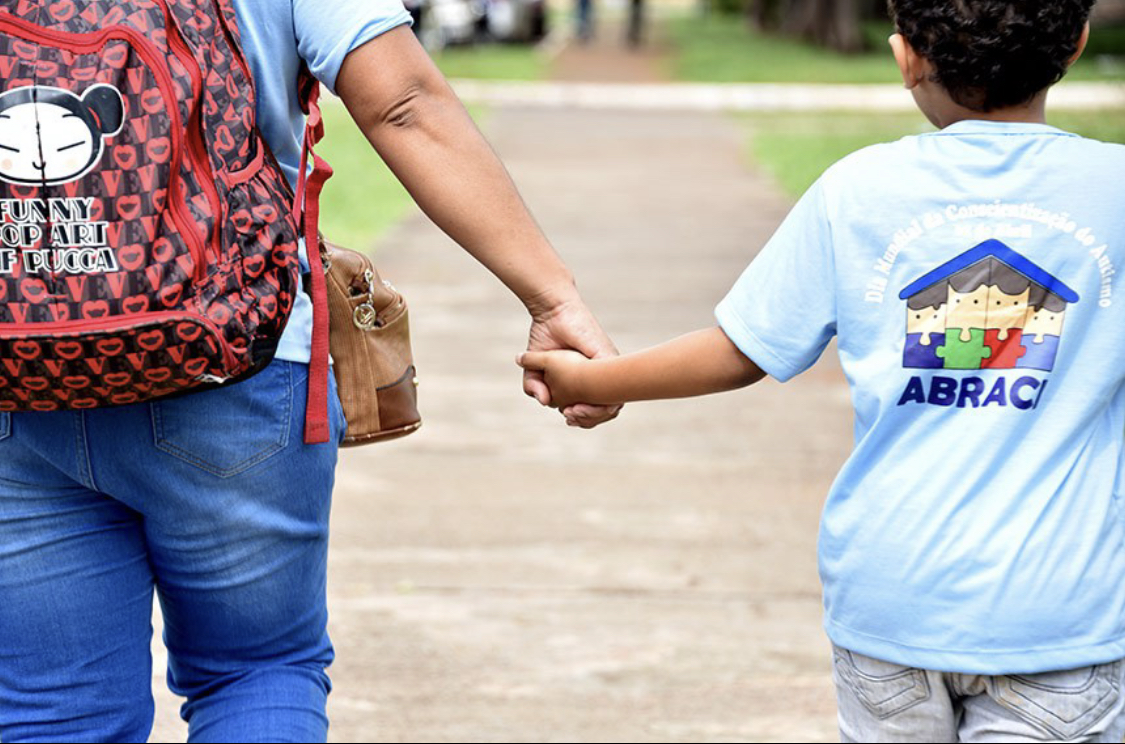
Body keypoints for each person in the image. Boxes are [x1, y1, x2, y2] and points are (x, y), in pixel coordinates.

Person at [0, 1, 619, 742]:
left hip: (18, 373)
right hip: (234, 368)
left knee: (55, 707)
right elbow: (404, 103)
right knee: (253, 671)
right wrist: (551, 296)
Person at [518, 1, 1125, 741]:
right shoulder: (1112, 190)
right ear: (1076, 45)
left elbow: (741, 347)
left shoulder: (858, 190)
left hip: (889, 598)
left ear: (906, 59)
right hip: (1059, 616)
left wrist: (592, 382)